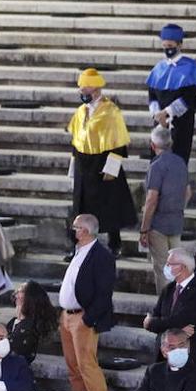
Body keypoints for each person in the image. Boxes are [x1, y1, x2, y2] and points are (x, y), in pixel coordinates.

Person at [67, 69, 136, 254]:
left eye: (85, 88)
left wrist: (111, 168)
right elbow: (75, 139)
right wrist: (73, 166)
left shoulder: (111, 111)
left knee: (109, 205)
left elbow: (118, 143)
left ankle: (115, 244)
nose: (82, 91)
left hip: (102, 162)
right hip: (83, 163)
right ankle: (78, 245)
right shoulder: (81, 111)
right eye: (80, 88)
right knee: (80, 207)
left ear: (96, 89)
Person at [59, 214, 115, 391]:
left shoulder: (102, 256)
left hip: (82, 318)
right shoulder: (78, 250)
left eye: (75, 227)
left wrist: (87, 319)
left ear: (84, 231)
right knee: (73, 366)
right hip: (66, 317)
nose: (72, 230)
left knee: (86, 366)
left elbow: (104, 293)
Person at [138, 129, 193, 294]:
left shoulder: (156, 166)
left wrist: (144, 229)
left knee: (163, 269)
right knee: (179, 267)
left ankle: (166, 308)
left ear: (153, 145)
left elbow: (151, 199)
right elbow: (188, 191)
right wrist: (178, 208)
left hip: (158, 224)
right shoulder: (181, 162)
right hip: (176, 221)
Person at [144, 248, 196, 373]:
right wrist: (173, 327)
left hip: (189, 357)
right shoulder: (169, 289)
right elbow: (157, 314)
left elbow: (182, 319)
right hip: (162, 357)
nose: (167, 266)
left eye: (170, 264)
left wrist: (152, 323)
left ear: (183, 267)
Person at [147, 25, 196, 163]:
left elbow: (191, 95)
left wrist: (167, 112)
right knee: (157, 160)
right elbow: (152, 95)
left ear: (179, 45)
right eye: (165, 45)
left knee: (178, 157)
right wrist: (156, 113)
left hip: (181, 122)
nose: (168, 49)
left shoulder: (190, 66)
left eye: (171, 45)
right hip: (160, 122)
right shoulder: (159, 68)